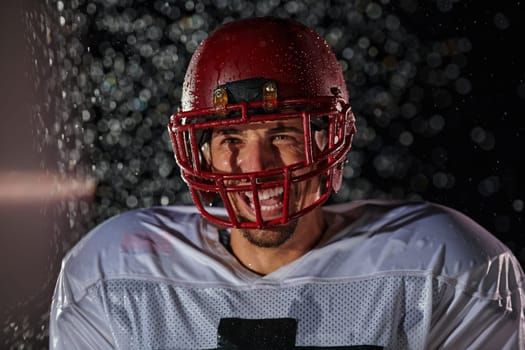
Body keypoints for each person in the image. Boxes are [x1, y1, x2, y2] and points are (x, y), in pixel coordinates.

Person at [50, 17, 525, 349]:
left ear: (327, 140)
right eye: (230, 137)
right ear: (200, 151)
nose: (255, 164)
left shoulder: (446, 268)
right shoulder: (112, 275)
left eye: (282, 134)